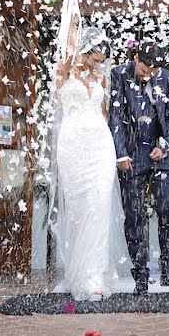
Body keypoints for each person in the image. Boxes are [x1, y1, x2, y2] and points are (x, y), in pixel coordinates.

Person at [50, 21, 123, 301]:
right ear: (83, 51)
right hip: (72, 145)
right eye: (94, 59)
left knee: (99, 205)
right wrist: (70, 0)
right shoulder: (64, 70)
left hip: (99, 146)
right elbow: (66, 36)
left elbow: (103, 113)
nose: (98, 66)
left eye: (101, 61)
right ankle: (77, 273)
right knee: (80, 210)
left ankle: (95, 275)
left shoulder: (101, 79)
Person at [110, 40, 169, 295]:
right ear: (136, 57)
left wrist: (163, 145)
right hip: (131, 154)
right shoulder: (118, 74)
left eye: (153, 72)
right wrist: (120, 154)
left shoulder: (167, 77)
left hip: (158, 152)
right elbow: (115, 117)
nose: (148, 75)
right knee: (135, 215)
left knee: (168, 208)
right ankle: (140, 274)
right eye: (144, 70)